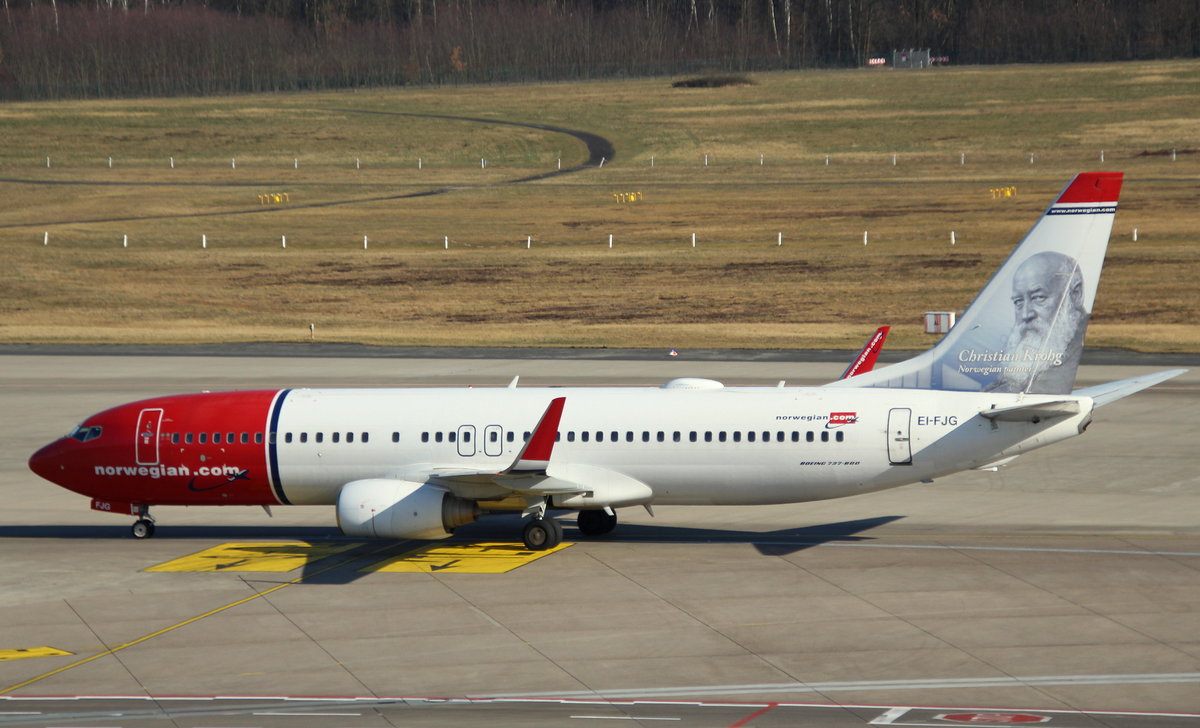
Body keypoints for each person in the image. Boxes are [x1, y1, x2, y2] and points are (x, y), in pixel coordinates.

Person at [987, 251, 1089, 393]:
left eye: (1038, 298)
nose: (1026, 314)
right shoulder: (1034, 348)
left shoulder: (1069, 352)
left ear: (1075, 294)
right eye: (1018, 302)